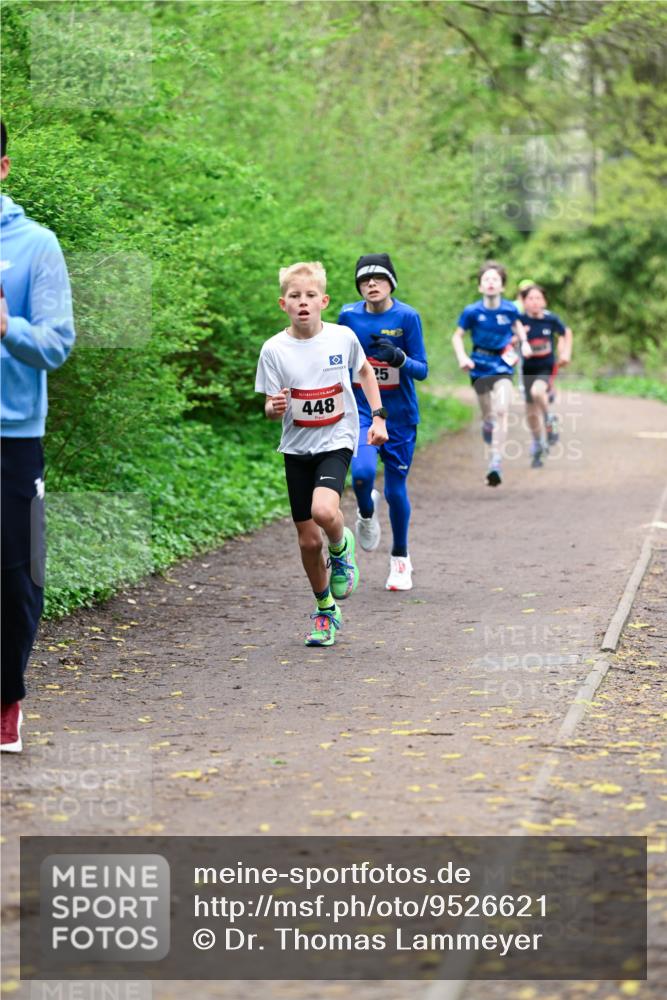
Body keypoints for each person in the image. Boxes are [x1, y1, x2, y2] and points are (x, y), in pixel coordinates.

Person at [255, 261, 388, 647]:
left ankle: (342, 546)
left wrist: (377, 417)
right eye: (294, 296)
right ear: (283, 304)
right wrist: (273, 408)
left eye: (310, 296)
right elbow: (269, 403)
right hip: (296, 447)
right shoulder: (274, 349)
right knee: (307, 541)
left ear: (323, 301)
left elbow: (365, 372)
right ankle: (325, 609)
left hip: (336, 439)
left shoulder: (342, 338)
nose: (303, 303)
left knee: (324, 512)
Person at [1, 119, 76, 752]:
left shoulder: (35, 245)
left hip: (11, 434)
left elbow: (57, 344)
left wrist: (7, 329)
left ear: (2, 169)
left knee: (17, 573)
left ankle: (6, 698)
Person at [338, 253, 428, 591]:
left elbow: (422, 369)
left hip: (401, 415)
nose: (371, 285)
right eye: (364, 280)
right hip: (361, 410)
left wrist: (399, 358)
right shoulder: (347, 317)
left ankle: (400, 560)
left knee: (394, 490)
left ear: (391, 283)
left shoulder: (407, 316)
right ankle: (364, 511)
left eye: (378, 279)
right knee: (361, 476)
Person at [452, 260, 531, 487]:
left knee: (502, 410)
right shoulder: (472, 311)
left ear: (502, 286)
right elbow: (457, 336)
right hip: (479, 365)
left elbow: (517, 327)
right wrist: (462, 357)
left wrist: (524, 344)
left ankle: (495, 462)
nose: (490, 283)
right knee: (488, 416)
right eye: (486, 279)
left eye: (495, 279)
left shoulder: (510, 309)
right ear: (480, 286)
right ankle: (488, 427)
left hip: (503, 365)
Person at [518, 283, 573, 466]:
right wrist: (519, 338)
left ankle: (550, 418)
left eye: (538, 298)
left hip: (546, 368)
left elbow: (566, 333)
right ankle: (538, 443)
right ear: (524, 302)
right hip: (527, 370)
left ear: (544, 301)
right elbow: (509, 340)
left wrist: (565, 352)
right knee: (531, 413)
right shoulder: (519, 321)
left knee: (537, 392)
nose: (534, 302)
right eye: (530, 299)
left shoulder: (550, 319)